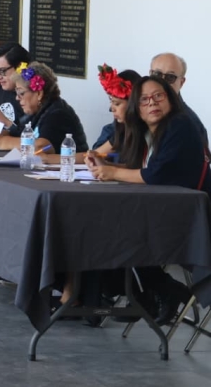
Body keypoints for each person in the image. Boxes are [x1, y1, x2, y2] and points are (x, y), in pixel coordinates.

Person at [86, 76, 207, 324]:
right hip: (169, 212)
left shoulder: (179, 125)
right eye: (144, 100)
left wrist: (113, 173)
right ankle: (145, 293)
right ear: (136, 109)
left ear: (170, 100)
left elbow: (155, 174)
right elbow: (139, 168)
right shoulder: (147, 131)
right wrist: (107, 164)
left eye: (158, 96)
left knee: (116, 229)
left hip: (198, 221)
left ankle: (149, 292)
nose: (152, 103)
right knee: (105, 225)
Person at [0, 61, 88, 154]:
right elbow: (22, 135)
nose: (17, 98)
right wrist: (0, 133)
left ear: (39, 94)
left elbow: (41, 146)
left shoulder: (57, 113)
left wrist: (0, 141)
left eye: (21, 93)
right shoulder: (38, 109)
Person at [148, 52, 207, 145]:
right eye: (157, 74)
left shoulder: (191, 124)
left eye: (170, 77)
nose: (162, 81)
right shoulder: (135, 109)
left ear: (181, 82)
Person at [0, 42, 30, 134]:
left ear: (20, 67)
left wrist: (7, 122)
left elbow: (32, 138)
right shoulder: (1, 88)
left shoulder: (31, 97)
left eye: (2, 71)